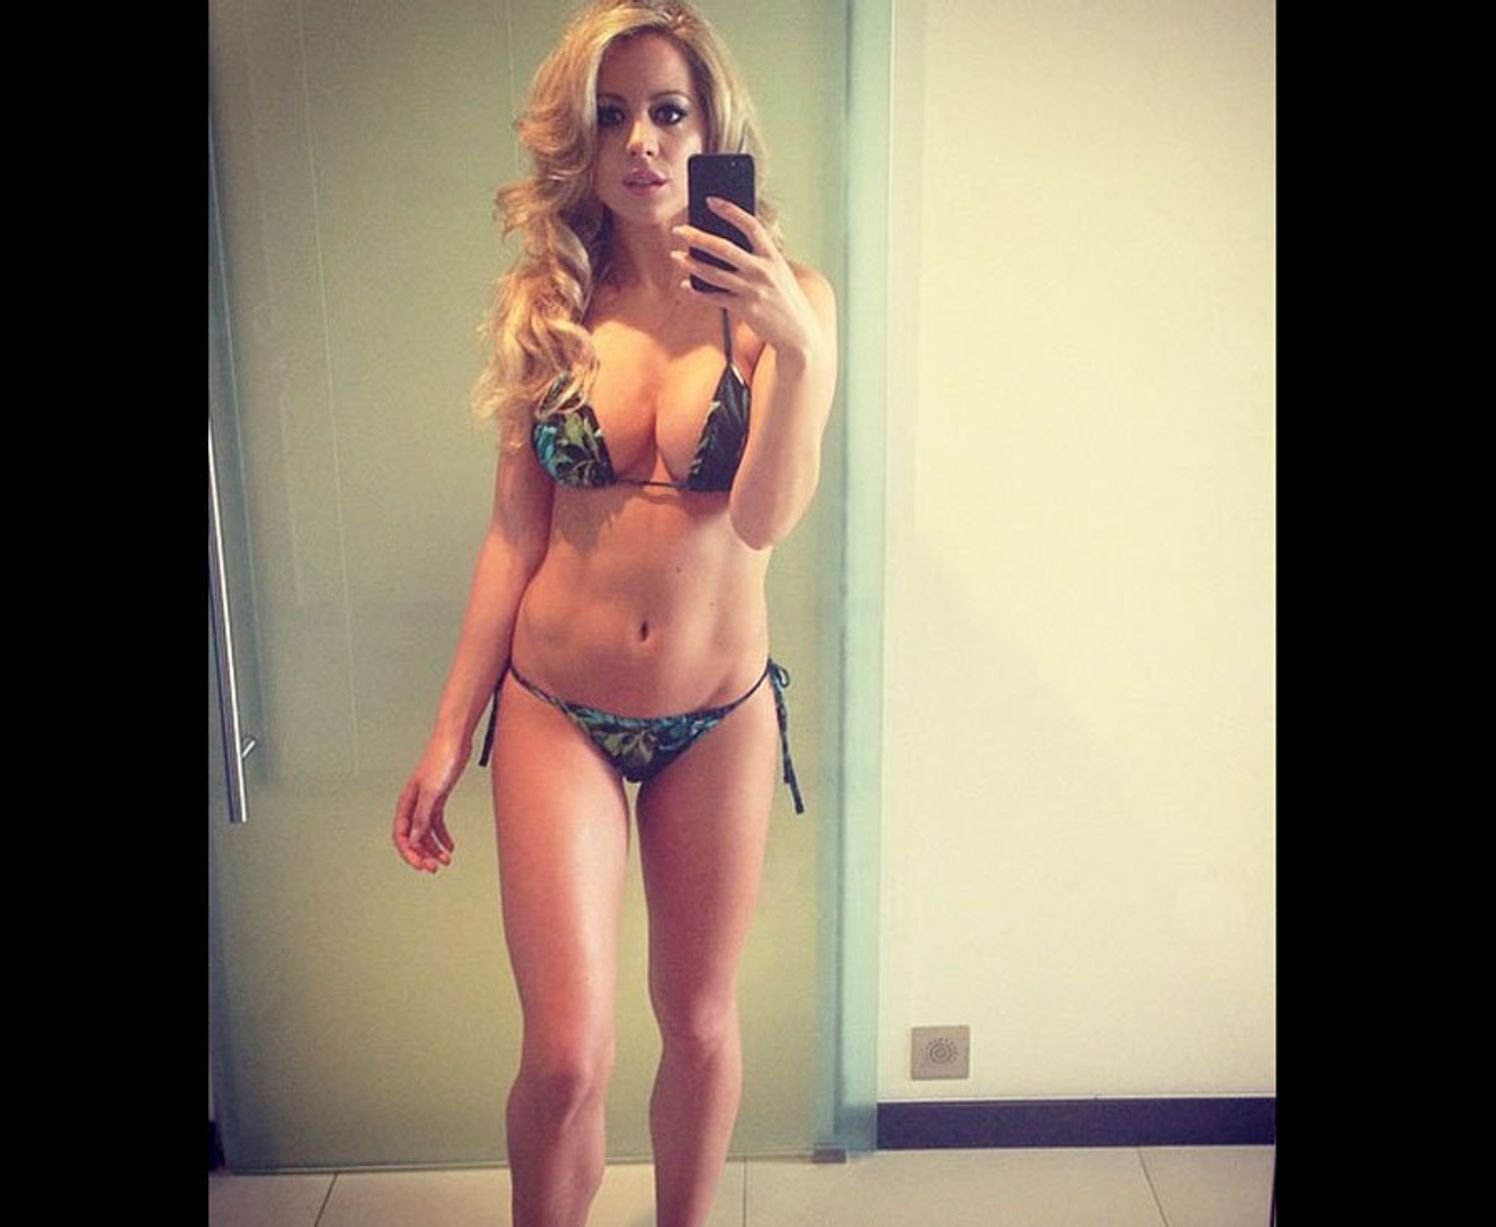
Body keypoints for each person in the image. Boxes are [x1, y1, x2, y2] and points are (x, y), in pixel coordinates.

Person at [391, 2, 837, 1224]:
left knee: (697, 1024)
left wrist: (798, 352)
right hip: (555, 711)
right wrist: (446, 734)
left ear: (711, 127)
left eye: (667, 111)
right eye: (609, 116)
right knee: (563, 1060)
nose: (639, 141)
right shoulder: (550, 304)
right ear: (577, 142)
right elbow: (513, 537)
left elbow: (762, 519)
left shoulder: (787, 301)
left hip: (716, 717)